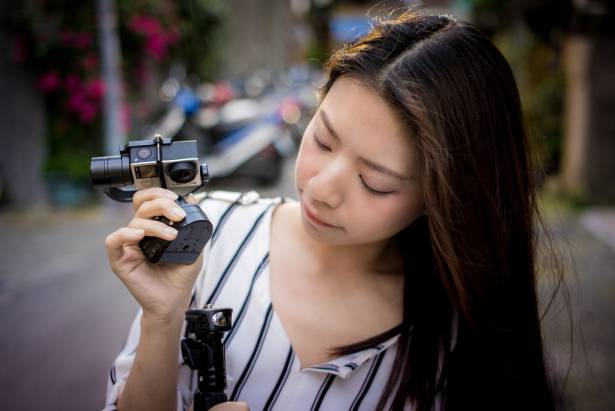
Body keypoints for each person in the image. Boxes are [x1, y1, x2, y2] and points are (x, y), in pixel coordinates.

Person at [102, 10, 561, 411]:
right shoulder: (207, 236)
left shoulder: (462, 336)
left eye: (375, 181)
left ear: (442, 198)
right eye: (322, 139)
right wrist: (162, 319)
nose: (320, 189)